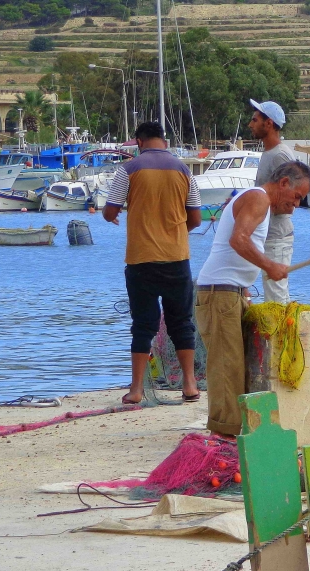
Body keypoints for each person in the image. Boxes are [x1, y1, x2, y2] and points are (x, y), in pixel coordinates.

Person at [195, 160, 310, 437]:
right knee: (227, 368)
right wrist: (270, 266)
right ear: (284, 183)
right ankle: (222, 436)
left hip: (230, 291)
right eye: (297, 197)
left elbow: (234, 247)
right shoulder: (258, 199)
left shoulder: (260, 204)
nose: (296, 205)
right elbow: (239, 239)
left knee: (237, 365)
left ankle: (231, 432)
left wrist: (244, 285)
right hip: (218, 293)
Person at [103, 121, 202, 405]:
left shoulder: (128, 170)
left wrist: (113, 216)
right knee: (182, 323)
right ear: (164, 140)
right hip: (176, 258)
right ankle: (190, 385)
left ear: (139, 141)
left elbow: (110, 210)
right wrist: (174, 233)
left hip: (141, 259)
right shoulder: (184, 171)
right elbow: (195, 218)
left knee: (143, 324)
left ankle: (136, 390)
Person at [248, 99, 300, 304]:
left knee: (276, 298)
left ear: (268, 124)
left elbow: (290, 202)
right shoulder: (268, 153)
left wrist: (251, 209)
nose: (250, 124)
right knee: (275, 296)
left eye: (254, 120)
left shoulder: (281, 155)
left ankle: (283, 336)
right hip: (266, 235)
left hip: (277, 238)